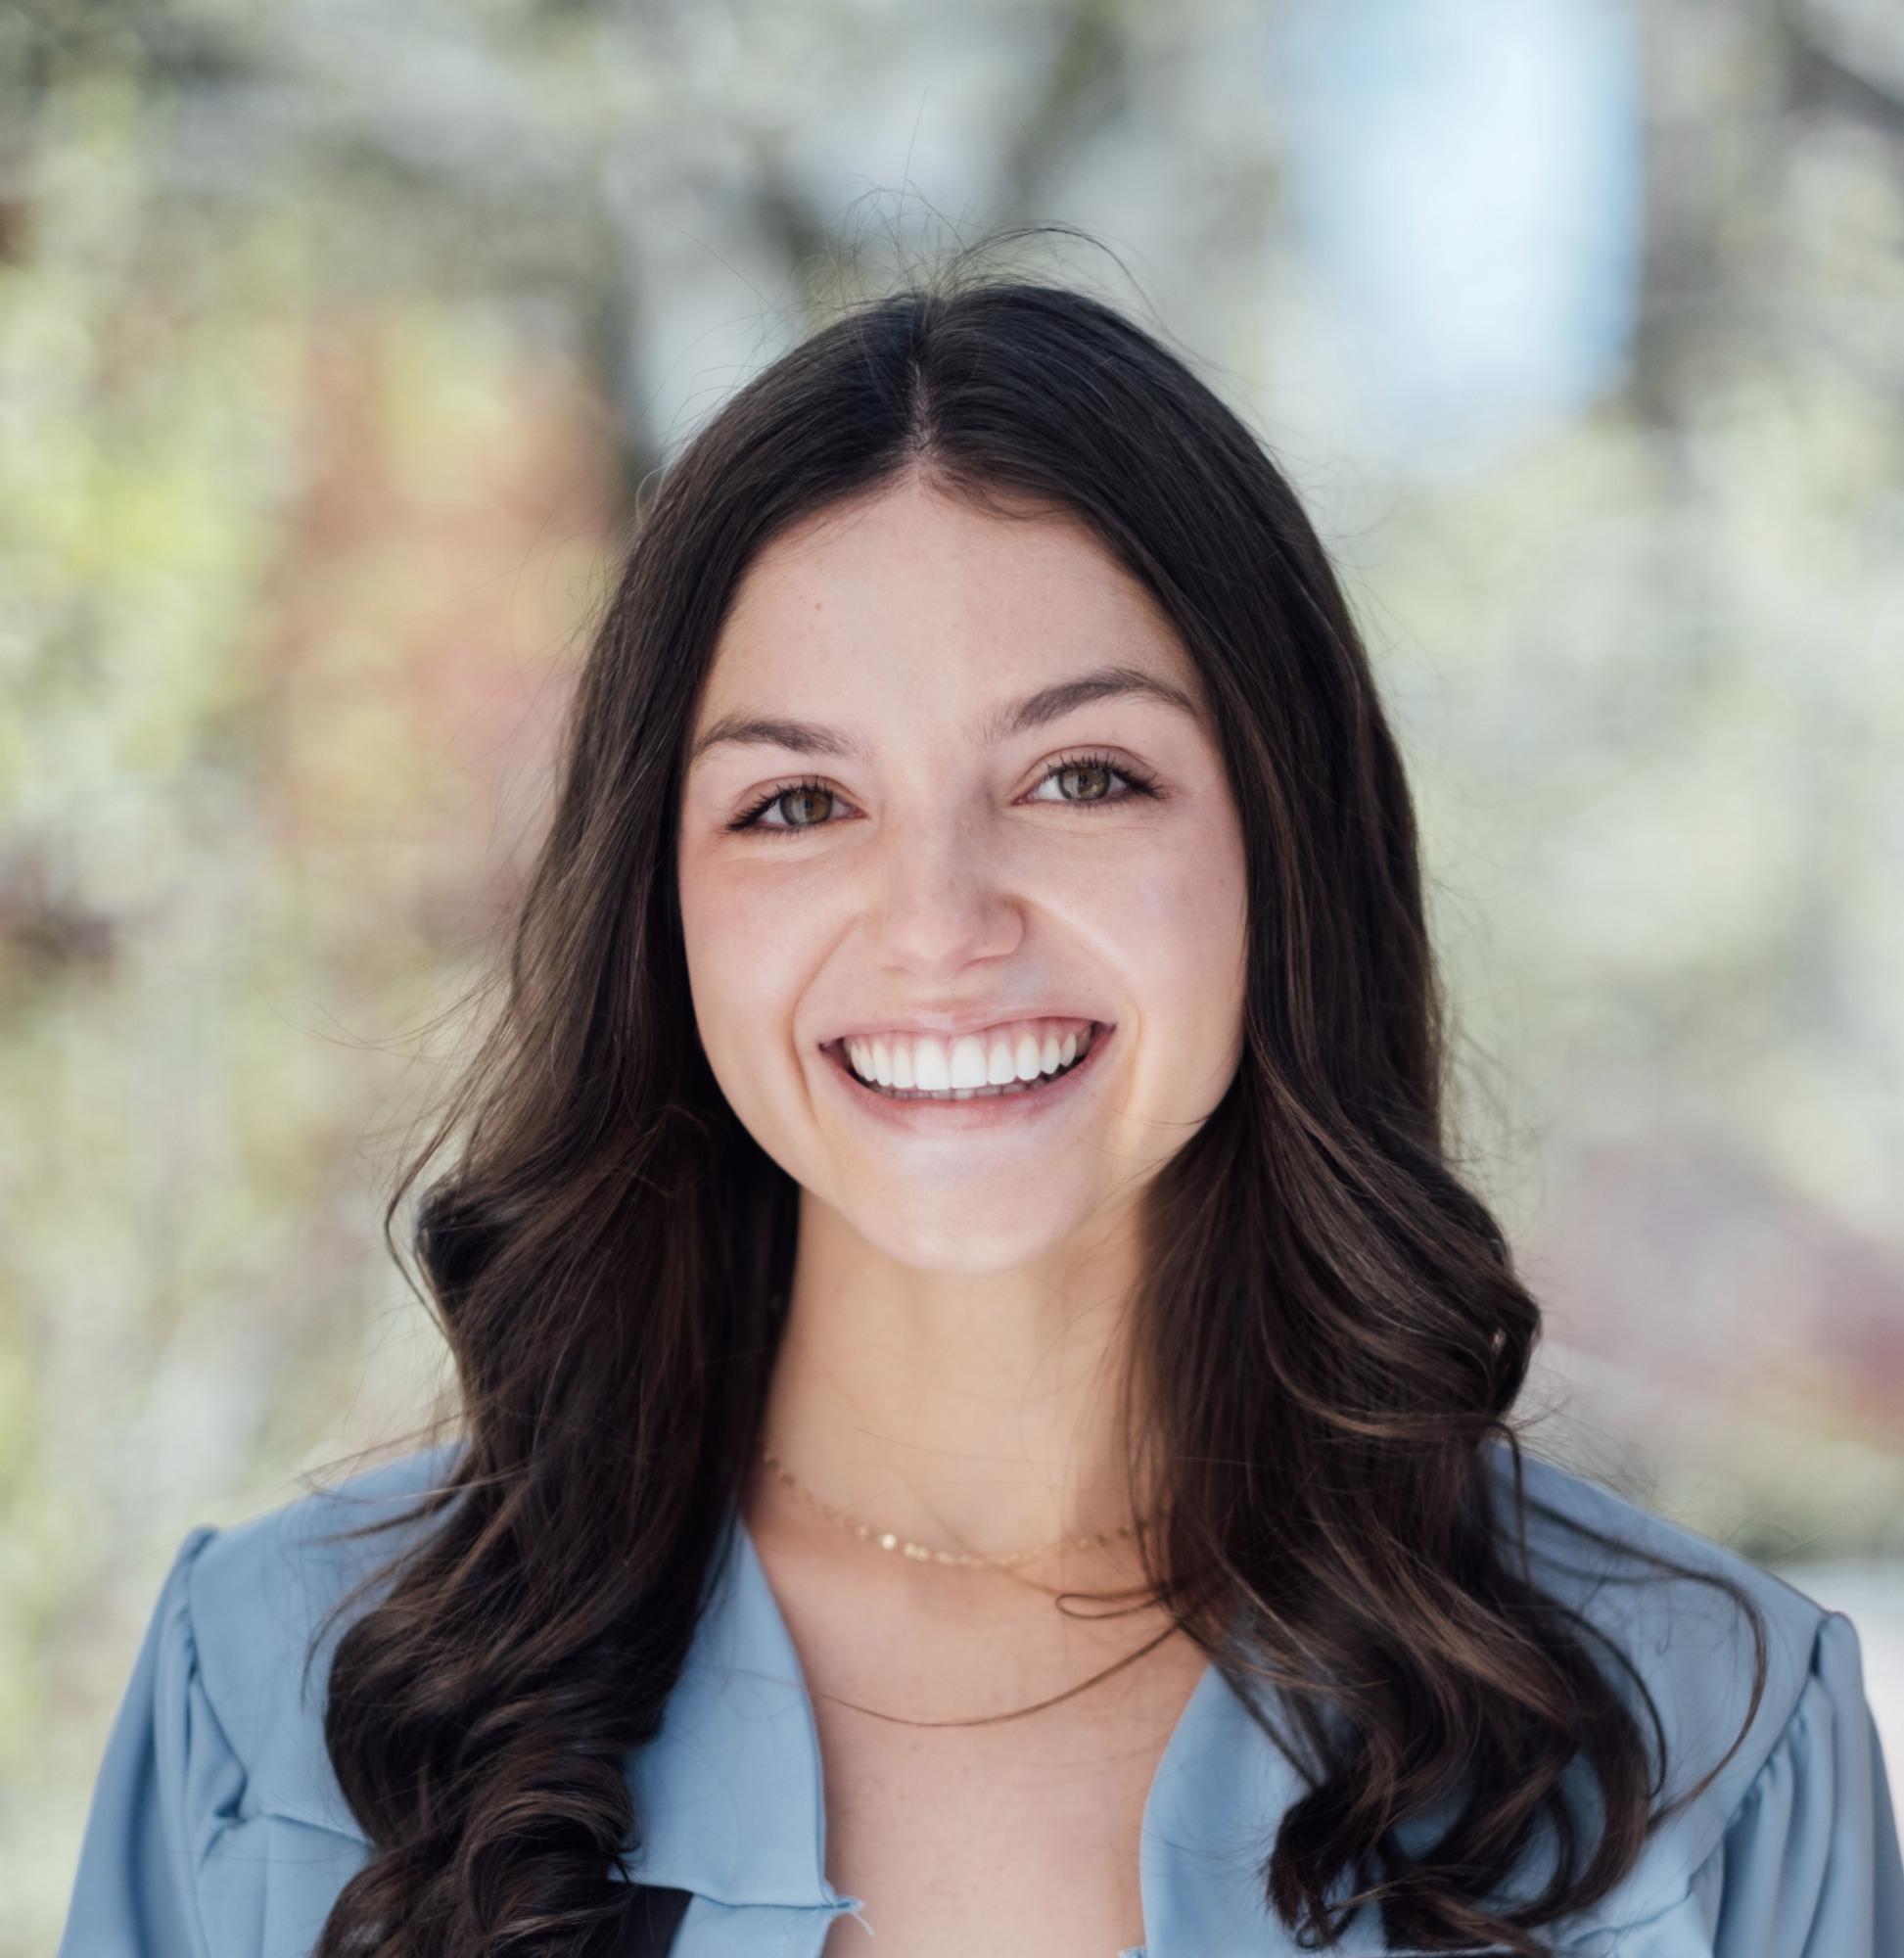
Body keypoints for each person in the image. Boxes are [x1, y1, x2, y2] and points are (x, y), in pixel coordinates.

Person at [60, 282, 1902, 1958]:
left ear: (1286, 845)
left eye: (1081, 776)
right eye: (795, 803)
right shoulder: (282, 1696)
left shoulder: (1704, 1746)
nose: (940, 923)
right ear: (659, 903)